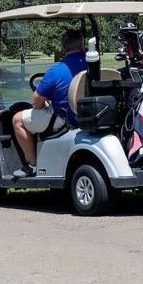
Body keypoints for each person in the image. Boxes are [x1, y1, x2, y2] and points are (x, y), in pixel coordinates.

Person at [12, 30, 87, 178]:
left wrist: (44, 102)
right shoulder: (92, 66)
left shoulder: (56, 71)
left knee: (17, 120)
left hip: (64, 118)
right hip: (86, 114)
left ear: (64, 47)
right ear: (82, 44)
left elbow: (36, 102)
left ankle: (32, 165)